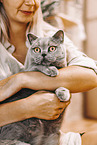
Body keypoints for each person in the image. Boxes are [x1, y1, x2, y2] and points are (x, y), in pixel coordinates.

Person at [0, 0, 97, 144]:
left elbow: (90, 75)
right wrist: (27, 107)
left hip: (46, 137)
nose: (30, 2)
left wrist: (22, 80)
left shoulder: (49, 34)